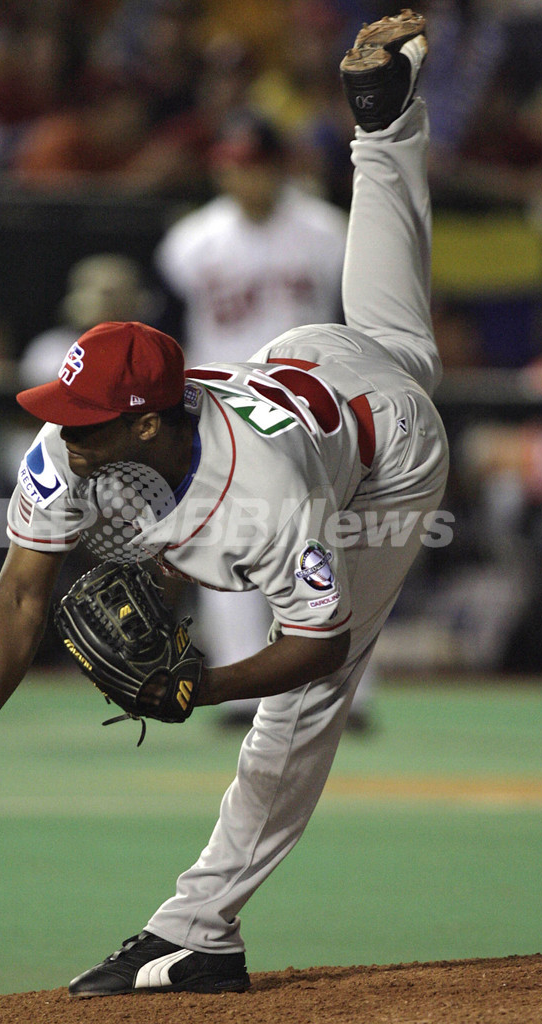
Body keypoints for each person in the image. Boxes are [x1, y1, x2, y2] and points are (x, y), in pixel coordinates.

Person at [0, 10, 448, 999]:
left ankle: (199, 931)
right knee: (394, 336)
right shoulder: (78, 440)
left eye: (87, 421)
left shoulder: (263, 494)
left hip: (389, 452)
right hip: (306, 358)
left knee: (305, 702)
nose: (63, 433)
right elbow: (22, 592)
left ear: (148, 423)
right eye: (63, 412)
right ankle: (384, 126)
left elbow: (321, 642)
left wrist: (203, 685)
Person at [154, 107, 356, 728]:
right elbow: (170, 330)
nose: (245, 178)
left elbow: (357, 319)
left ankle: (347, 694)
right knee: (226, 546)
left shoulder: (328, 231)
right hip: (222, 412)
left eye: (255, 165)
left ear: (279, 167)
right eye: (234, 166)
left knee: (332, 545)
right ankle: (244, 693)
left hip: (310, 406)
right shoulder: (190, 241)